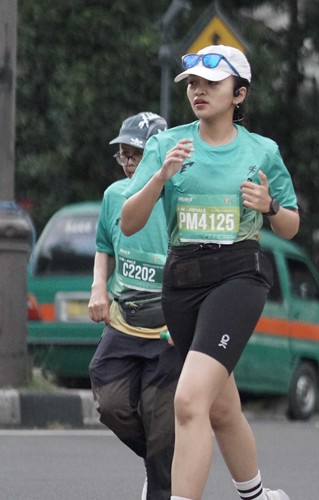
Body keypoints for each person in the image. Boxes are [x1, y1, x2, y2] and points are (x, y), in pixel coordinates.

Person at [120, 45, 299, 500]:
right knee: (220, 408)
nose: (198, 91)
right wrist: (159, 177)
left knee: (188, 400)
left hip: (239, 275)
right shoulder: (166, 145)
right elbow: (129, 222)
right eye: (193, 84)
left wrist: (270, 207)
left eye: (211, 84)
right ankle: (258, 497)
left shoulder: (263, 151)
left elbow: (291, 225)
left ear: (239, 93)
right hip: (182, 282)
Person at [88, 112, 182, 500]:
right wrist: (98, 286)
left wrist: (187, 318)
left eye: (136, 155)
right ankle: (163, 462)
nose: (128, 164)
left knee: (161, 422)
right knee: (110, 402)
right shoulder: (115, 196)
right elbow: (103, 247)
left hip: (167, 329)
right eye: (124, 155)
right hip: (123, 321)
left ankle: (162, 479)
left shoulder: (178, 199)